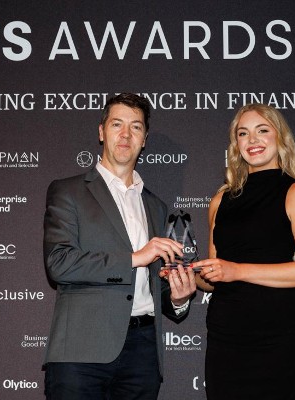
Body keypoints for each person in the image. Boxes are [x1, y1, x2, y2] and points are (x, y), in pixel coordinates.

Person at [42, 93, 197, 400]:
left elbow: (154, 282)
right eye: (117, 124)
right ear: (102, 132)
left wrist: (178, 299)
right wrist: (135, 258)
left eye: (135, 127)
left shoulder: (156, 206)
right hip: (82, 349)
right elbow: (59, 263)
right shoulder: (68, 191)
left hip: (143, 351)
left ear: (144, 139)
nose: (126, 134)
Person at [192, 103, 295, 399]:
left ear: (280, 137)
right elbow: (215, 276)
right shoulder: (220, 200)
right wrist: (192, 276)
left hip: (278, 339)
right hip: (226, 340)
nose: (252, 140)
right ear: (236, 144)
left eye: (262, 130)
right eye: (243, 133)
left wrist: (237, 270)